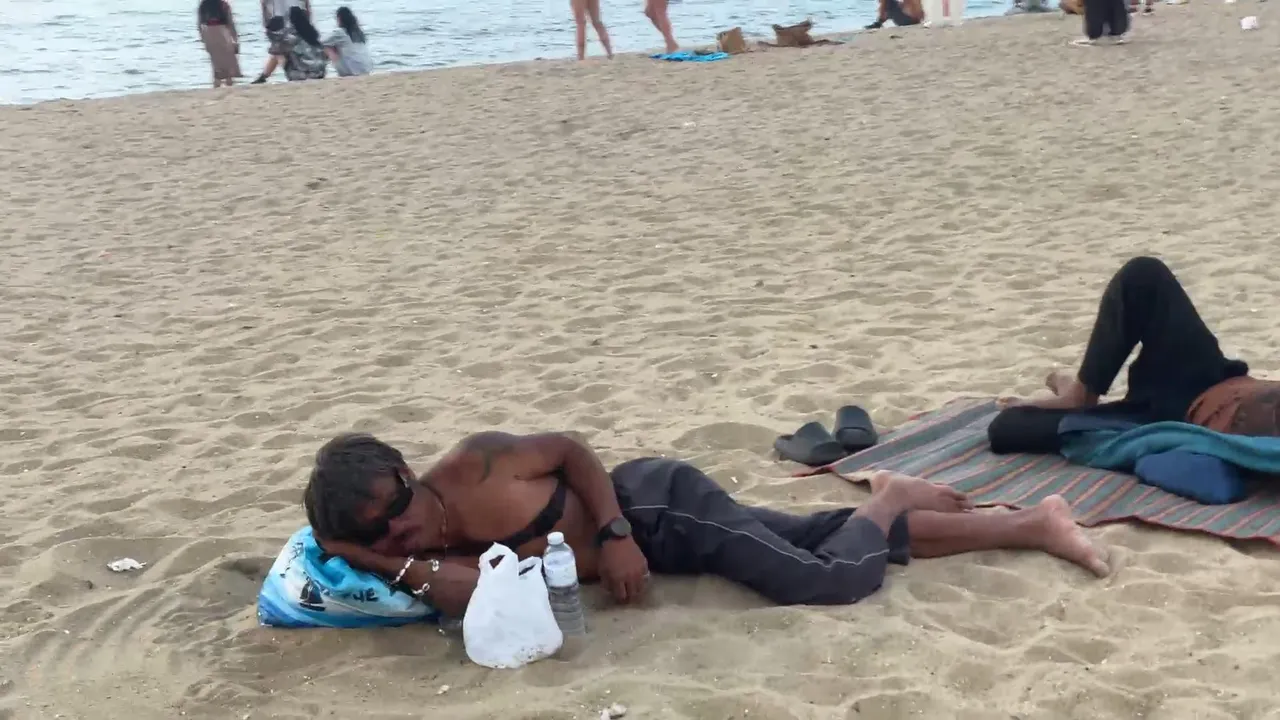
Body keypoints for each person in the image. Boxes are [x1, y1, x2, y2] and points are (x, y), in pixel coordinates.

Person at [305, 432, 1110, 618]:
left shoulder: (478, 467)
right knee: (812, 536)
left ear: (404, 474)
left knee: (825, 579)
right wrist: (360, 559)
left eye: (396, 511)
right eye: (378, 535)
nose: (399, 534)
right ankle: (1033, 525)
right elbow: (471, 596)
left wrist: (615, 534)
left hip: (658, 507)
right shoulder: (414, 552)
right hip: (660, 538)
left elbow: (574, 452)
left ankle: (892, 496)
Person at [992, 256, 1280, 455]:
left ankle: (1076, 399)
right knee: (1143, 274)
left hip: (1175, 415)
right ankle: (1080, 392)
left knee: (1007, 427)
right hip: (1218, 375)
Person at [253, 6, 327, 83]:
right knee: (278, 51)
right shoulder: (313, 35)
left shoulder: (289, 37)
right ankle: (263, 77)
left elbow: (281, 57)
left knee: (276, 53)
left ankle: (263, 77)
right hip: (320, 73)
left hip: (301, 75)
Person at [197, 0, 241, 88]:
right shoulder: (224, 4)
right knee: (228, 60)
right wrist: (235, 38)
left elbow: (199, 23)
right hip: (222, 31)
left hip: (208, 31)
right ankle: (229, 83)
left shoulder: (203, 4)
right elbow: (230, 23)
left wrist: (202, 37)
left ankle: (217, 83)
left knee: (215, 61)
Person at [324, 6, 374, 77]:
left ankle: (318, 71)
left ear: (339, 18)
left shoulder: (340, 32)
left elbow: (320, 43)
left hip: (352, 72)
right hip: (367, 69)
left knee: (327, 47)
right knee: (335, 44)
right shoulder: (358, 32)